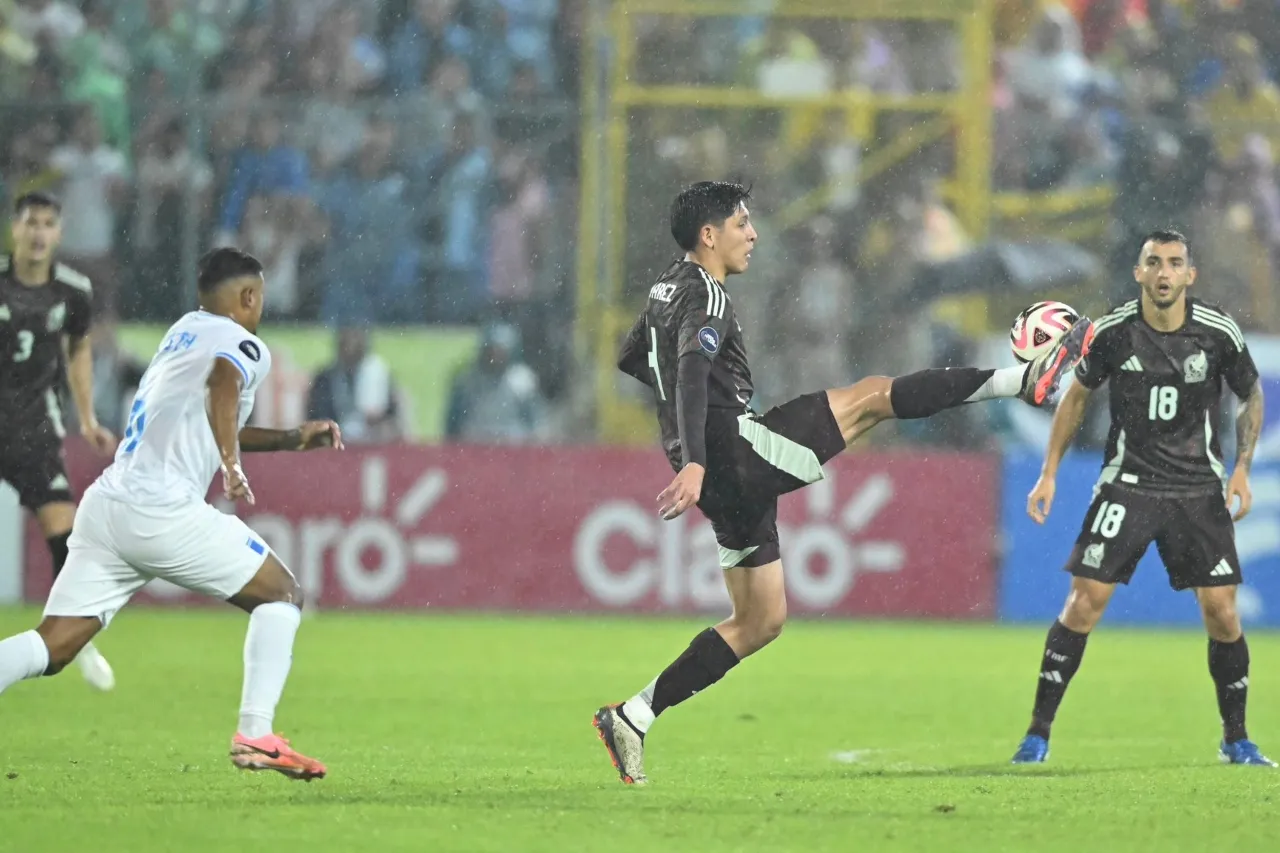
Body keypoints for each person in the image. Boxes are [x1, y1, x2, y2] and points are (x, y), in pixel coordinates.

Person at [592, 181, 1096, 785]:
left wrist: (684, 442)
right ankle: (1027, 379)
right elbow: (694, 370)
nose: (752, 234)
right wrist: (701, 455)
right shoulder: (707, 295)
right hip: (732, 451)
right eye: (742, 224)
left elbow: (635, 357)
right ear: (710, 235)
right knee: (874, 397)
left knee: (760, 621)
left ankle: (634, 715)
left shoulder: (663, 290)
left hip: (713, 467)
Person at [0, 248, 342, 781]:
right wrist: (230, 464)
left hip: (109, 503)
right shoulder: (244, 344)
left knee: (55, 643)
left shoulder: (183, 332)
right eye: (261, 298)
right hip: (161, 511)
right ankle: (256, 733)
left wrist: (293, 439)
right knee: (282, 594)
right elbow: (221, 388)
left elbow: (209, 416)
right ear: (249, 297)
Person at [1010, 229, 1273, 767]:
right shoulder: (1112, 331)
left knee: (1222, 613)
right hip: (1127, 484)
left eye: (1174, 263)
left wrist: (1242, 469)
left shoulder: (1217, 331)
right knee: (1084, 603)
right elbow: (1077, 395)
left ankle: (1236, 739)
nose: (1163, 273)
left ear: (1189, 275)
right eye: (1153, 262)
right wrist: (1049, 472)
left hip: (1199, 488)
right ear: (1139, 273)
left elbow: (1252, 393)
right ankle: (1037, 735)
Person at [1, 191, 116, 690]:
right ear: (14, 228)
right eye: (31, 222)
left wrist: (87, 418)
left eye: (48, 223)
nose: (38, 232)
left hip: (33, 429)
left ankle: (75, 633)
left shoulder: (72, 292)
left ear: (59, 233)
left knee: (62, 529)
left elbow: (79, 352)